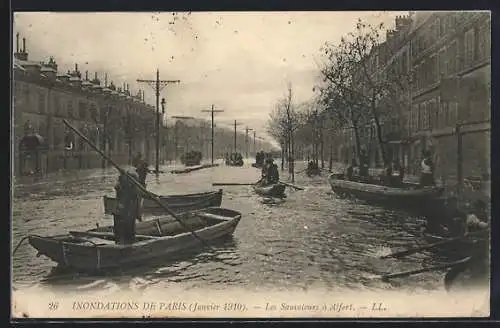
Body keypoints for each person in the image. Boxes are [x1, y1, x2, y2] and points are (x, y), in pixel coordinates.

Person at [113, 168, 147, 245]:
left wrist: (138, 215)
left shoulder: (134, 189)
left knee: (128, 235)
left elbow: (137, 202)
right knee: (122, 234)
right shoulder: (123, 188)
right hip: (123, 215)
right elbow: (118, 187)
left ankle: (126, 248)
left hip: (127, 215)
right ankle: (122, 248)